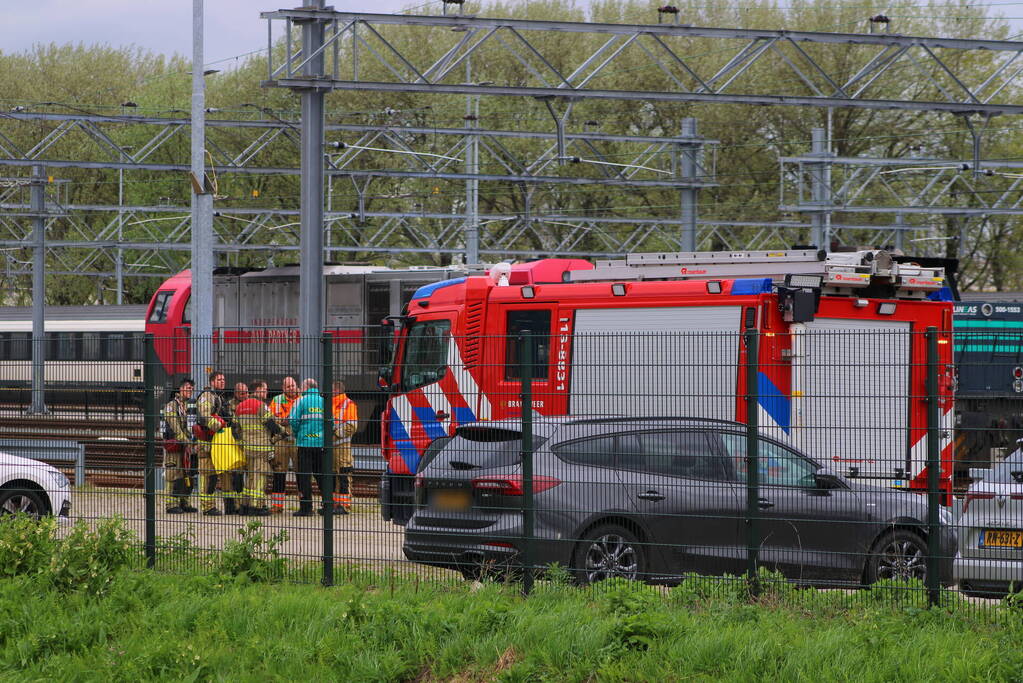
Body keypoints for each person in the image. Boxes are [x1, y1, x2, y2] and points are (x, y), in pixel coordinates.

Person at [233, 379, 280, 516]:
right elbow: (272, 425)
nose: (267, 392)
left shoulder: (240, 406)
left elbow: (234, 429)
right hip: (261, 448)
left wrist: (241, 442)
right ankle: (257, 506)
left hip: (247, 448)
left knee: (250, 477)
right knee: (260, 477)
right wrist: (283, 432)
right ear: (257, 390)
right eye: (265, 389)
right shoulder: (261, 406)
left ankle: (245, 506)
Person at [288, 378, 326, 517]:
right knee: (322, 476)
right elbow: (331, 422)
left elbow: (292, 420)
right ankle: (327, 506)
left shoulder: (301, 400)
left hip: (305, 443)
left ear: (306, 387)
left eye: (301, 386)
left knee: (304, 476)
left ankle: (306, 508)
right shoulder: (324, 401)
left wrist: (298, 433)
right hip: (320, 444)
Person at [194, 370, 229, 516]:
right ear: (212, 382)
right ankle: (207, 507)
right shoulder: (207, 396)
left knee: (213, 474)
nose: (222, 382)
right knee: (207, 474)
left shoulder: (217, 397)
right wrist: (220, 427)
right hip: (206, 442)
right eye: (219, 379)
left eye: (223, 379)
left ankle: (209, 505)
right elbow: (205, 416)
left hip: (214, 441)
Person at [162, 377, 197, 514]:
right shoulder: (172, 405)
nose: (190, 391)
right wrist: (187, 441)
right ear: (180, 389)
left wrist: (190, 439)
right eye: (188, 388)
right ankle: (171, 504)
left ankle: (184, 502)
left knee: (184, 474)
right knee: (172, 474)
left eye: (192, 389)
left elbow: (184, 428)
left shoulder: (184, 405)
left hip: (182, 445)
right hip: (173, 446)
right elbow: (175, 427)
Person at [268, 376, 300, 514]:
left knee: (301, 473)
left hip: (298, 440)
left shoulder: (302, 399)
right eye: (288, 387)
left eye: (292, 385)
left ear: (296, 386)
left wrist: (289, 421)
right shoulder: (276, 400)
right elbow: (270, 418)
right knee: (279, 472)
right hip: (281, 440)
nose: (291, 388)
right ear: (283, 388)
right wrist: (282, 421)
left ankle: (304, 504)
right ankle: (277, 506)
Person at [331, 380, 359, 514]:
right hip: (332, 447)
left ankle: (344, 505)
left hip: (342, 447)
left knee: (343, 474)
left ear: (336, 390)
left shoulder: (348, 404)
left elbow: (352, 426)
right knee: (333, 476)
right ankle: (335, 504)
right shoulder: (329, 403)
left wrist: (334, 435)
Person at [222, 381, 249, 515]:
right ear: (236, 393)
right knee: (232, 475)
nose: (245, 395)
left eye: (247, 392)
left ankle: (242, 505)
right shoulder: (228, 406)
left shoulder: (250, 404)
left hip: (246, 443)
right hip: (232, 444)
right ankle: (232, 506)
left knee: (243, 475)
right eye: (242, 393)